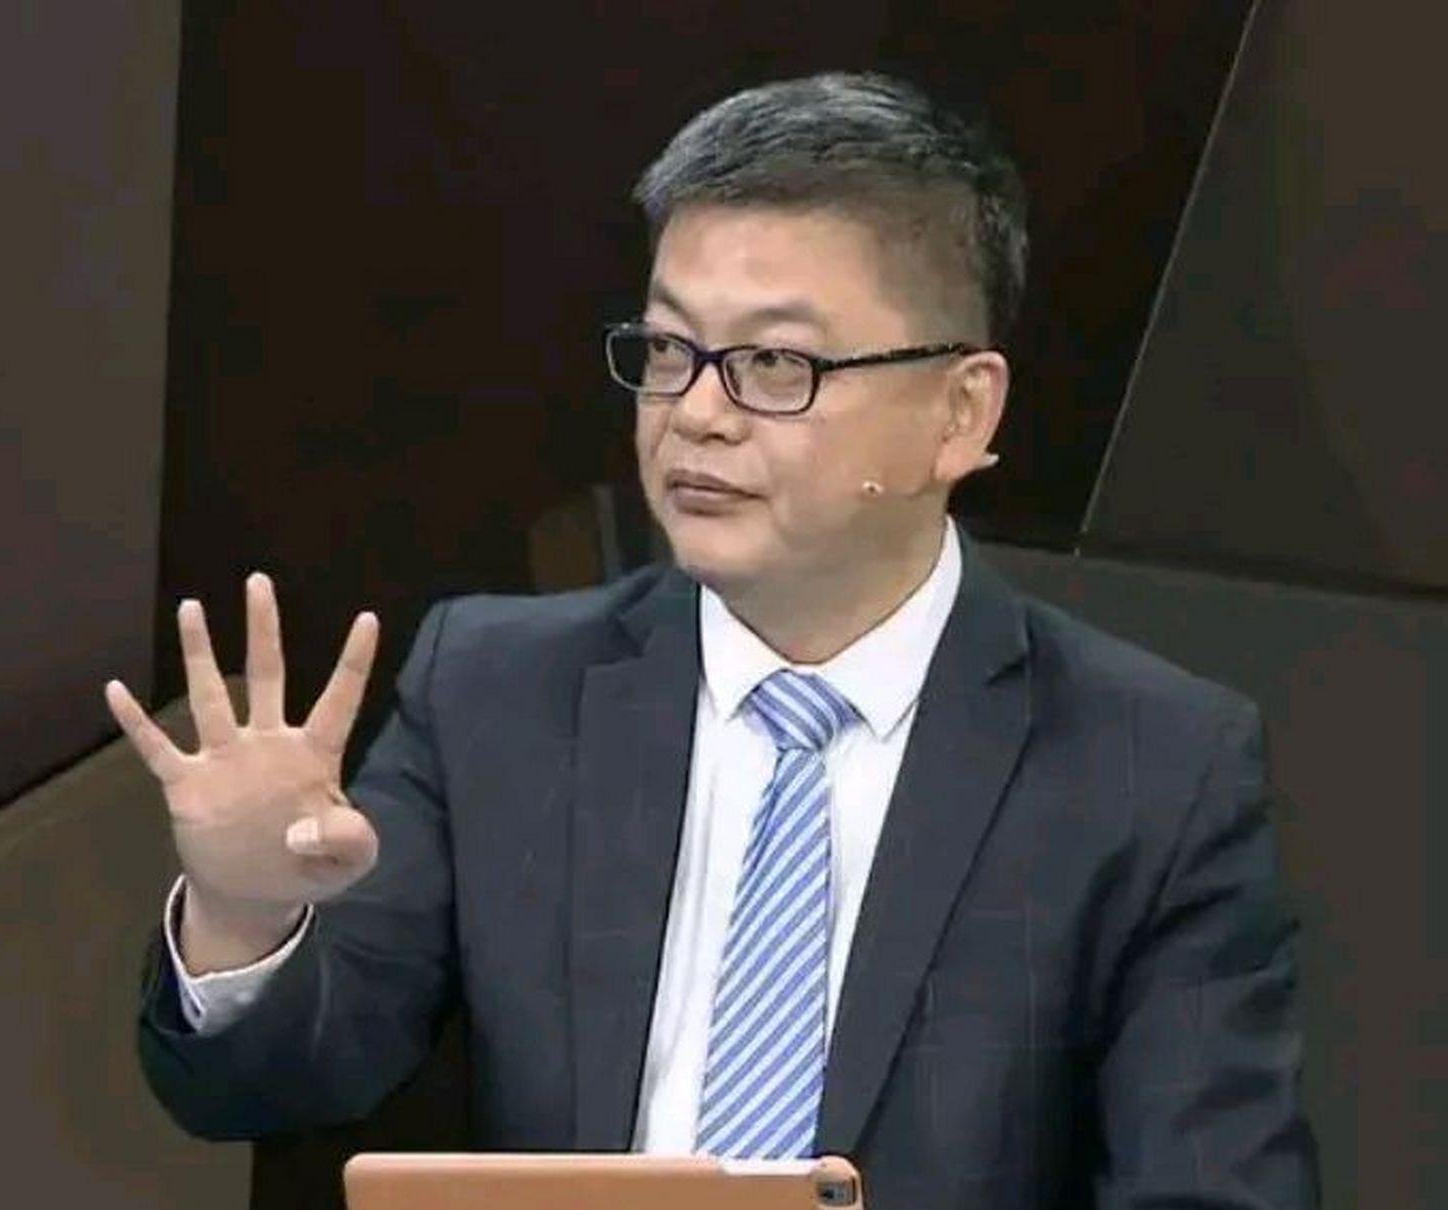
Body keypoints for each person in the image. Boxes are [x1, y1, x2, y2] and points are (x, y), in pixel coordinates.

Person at [108, 72, 1319, 1208]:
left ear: (959, 413)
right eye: (669, 350)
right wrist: (243, 917)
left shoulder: (1153, 771)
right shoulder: (496, 689)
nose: (694, 413)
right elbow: (271, 1083)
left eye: (773, 363)